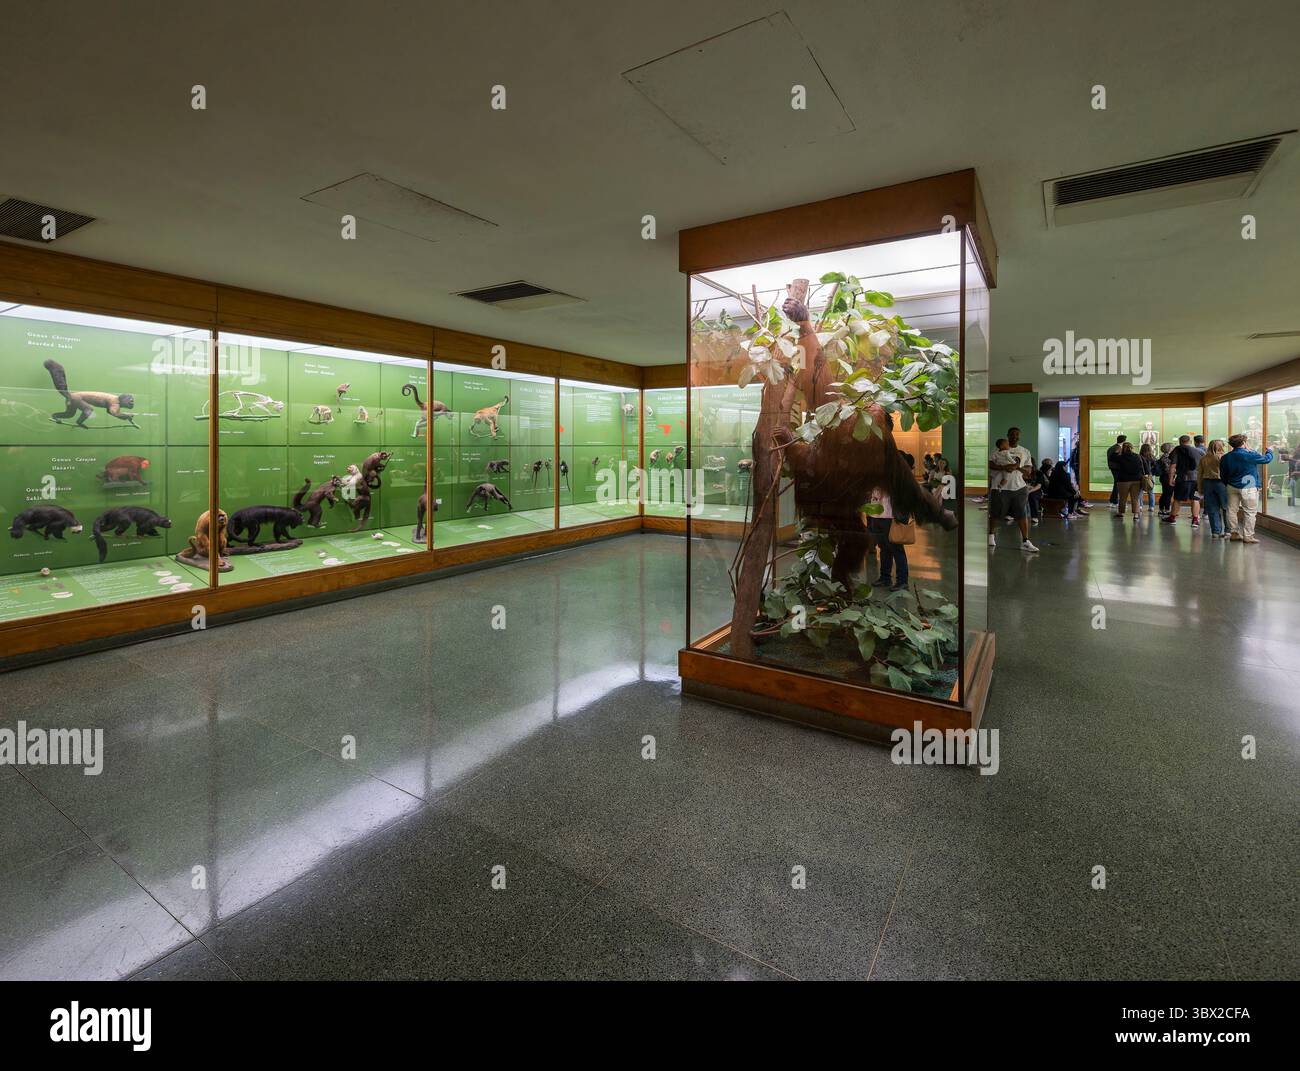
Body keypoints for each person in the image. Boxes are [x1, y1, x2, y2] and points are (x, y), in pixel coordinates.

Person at [988, 426, 1039, 552]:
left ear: (1019, 436)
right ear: (1008, 435)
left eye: (1017, 434)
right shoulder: (997, 450)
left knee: (1022, 514)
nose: (1014, 436)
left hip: (1019, 488)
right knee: (995, 513)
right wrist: (1004, 468)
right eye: (1012, 434)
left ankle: (1025, 541)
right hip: (999, 487)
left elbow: (1028, 471)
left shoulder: (1025, 451)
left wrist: (1016, 467)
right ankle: (991, 536)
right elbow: (990, 464)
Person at [1220, 434, 1273, 544]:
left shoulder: (1226, 457)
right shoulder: (1250, 455)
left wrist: (1228, 483)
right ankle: (1248, 536)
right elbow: (1266, 459)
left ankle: (1234, 533)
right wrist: (1270, 451)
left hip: (1231, 486)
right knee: (1250, 512)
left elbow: (1223, 474)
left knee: (1231, 510)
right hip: (1249, 487)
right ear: (1244, 443)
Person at [865, 488, 909, 591]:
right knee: (884, 548)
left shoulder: (896, 478)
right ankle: (885, 578)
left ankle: (902, 581)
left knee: (897, 549)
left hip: (890, 516)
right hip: (876, 514)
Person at [1165, 434, 1205, 528]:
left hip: (1183, 479)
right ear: (1190, 442)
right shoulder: (1200, 451)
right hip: (1197, 480)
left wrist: (1170, 479)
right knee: (1195, 499)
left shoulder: (1177, 450)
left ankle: (1172, 518)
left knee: (1178, 499)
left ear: (1180, 442)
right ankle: (1195, 520)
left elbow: (1173, 466)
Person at [1198, 439, 1229, 539]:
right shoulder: (1224, 457)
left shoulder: (1204, 458)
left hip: (1207, 483)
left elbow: (1199, 474)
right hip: (1222, 483)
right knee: (1226, 507)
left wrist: (1200, 488)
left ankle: (1216, 531)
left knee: (1212, 508)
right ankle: (1228, 531)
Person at [1113, 441, 1143, 520]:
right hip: (1137, 480)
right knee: (1135, 498)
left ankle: (1121, 513)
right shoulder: (1137, 456)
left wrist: (1117, 451)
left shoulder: (1121, 457)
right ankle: (1136, 515)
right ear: (1132, 448)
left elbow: (1112, 457)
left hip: (1123, 480)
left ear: (1123, 448)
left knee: (1122, 498)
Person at [1138, 443, 1159, 514]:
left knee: (1140, 491)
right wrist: (1152, 473)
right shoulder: (1153, 457)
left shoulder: (1139, 457)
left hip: (1141, 476)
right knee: (1151, 491)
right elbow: (1156, 467)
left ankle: (1140, 506)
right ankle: (1151, 507)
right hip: (1150, 476)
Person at [1106, 435, 1126, 509]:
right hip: (1117, 469)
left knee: (1116, 484)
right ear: (1124, 441)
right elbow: (1117, 459)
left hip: (1113, 468)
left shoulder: (1112, 447)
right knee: (1117, 484)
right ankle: (1115, 502)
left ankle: (1112, 501)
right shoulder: (1118, 448)